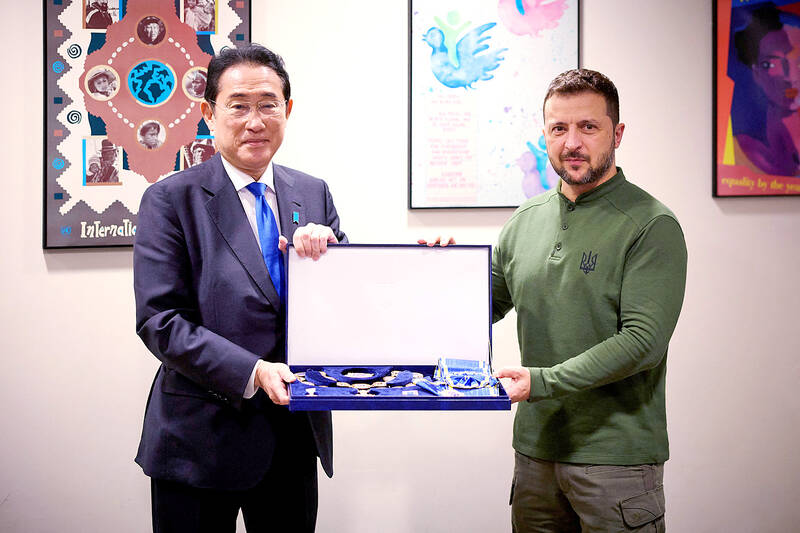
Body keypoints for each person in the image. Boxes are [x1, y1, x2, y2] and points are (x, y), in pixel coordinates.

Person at [133, 43, 346, 532]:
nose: (255, 121)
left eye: (268, 105)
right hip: (199, 441)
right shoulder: (170, 199)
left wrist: (335, 259)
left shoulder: (312, 192)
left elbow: (343, 305)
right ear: (209, 113)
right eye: (238, 106)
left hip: (293, 437)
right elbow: (160, 322)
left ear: (287, 110)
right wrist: (253, 371)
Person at [491, 69, 687, 532]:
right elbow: (476, 307)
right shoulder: (524, 220)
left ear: (617, 134)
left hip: (616, 463)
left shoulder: (651, 224)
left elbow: (642, 342)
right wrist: (441, 267)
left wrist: (542, 382)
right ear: (545, 135)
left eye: (588, 127)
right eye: (559, 128)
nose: (572, 142)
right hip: (535, 454)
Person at [729, 3, 800, 176]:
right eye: (771, 64)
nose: (790, 77)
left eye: (799, 63)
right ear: (756, 73)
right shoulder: (742, 152)